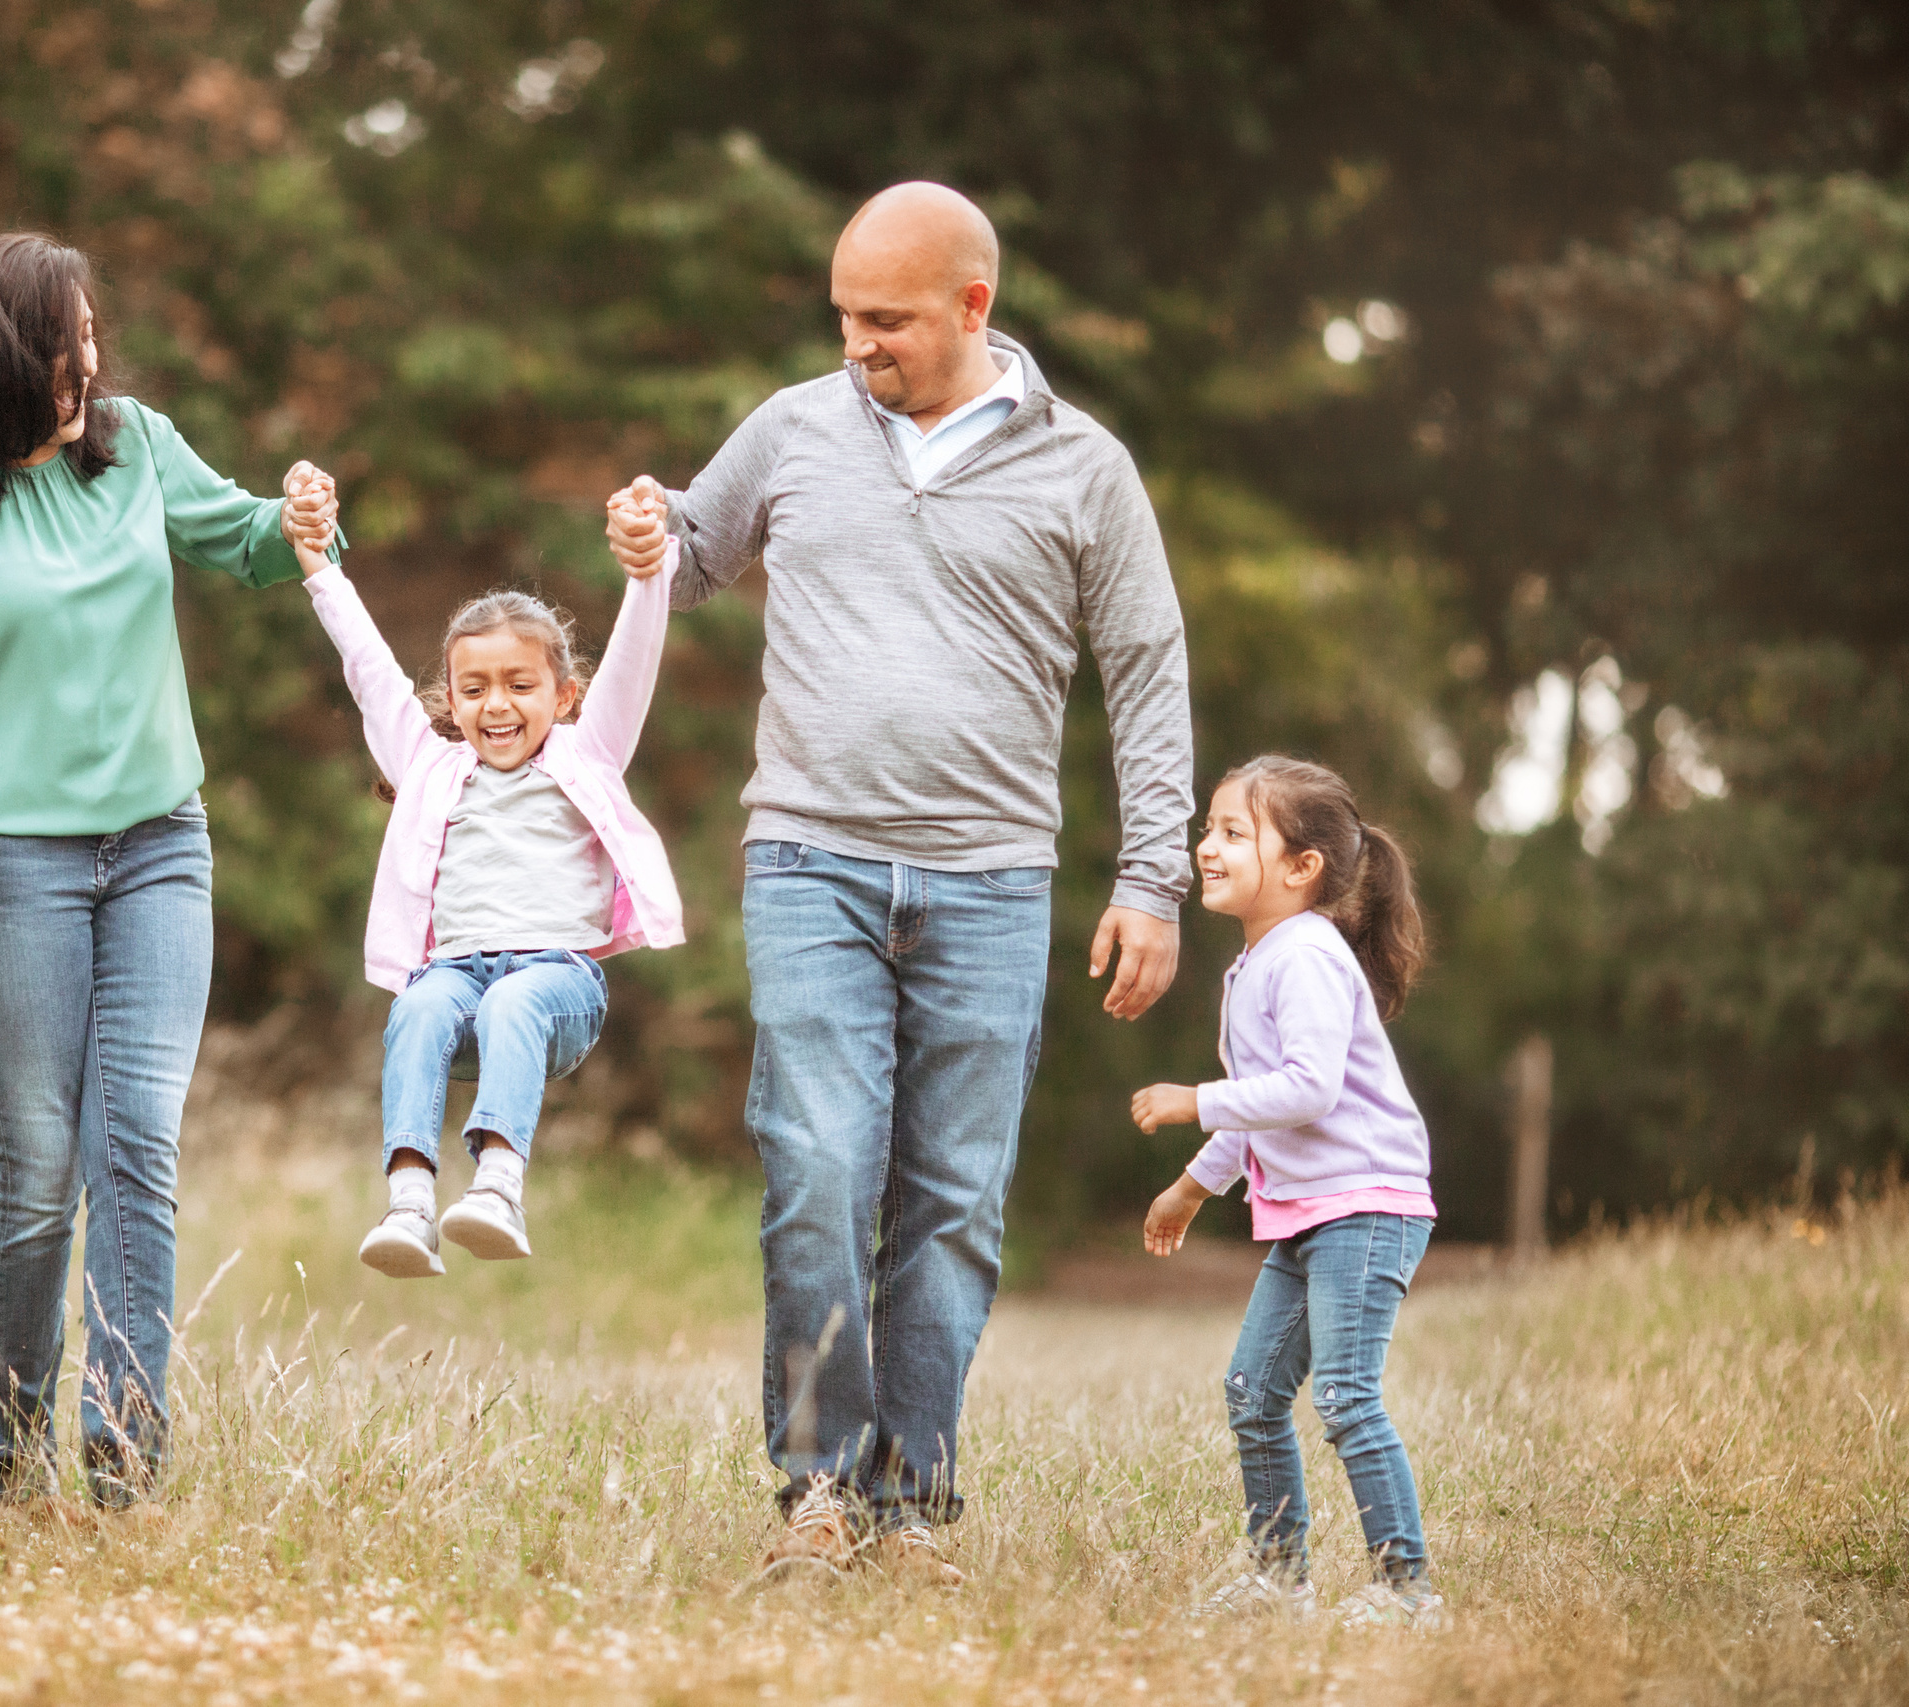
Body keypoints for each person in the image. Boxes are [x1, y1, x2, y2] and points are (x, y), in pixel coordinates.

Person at [604, 183, 1194, 1582]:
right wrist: (651, 537)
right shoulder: (799, 425)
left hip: (991, 885)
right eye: (845, 317)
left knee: (952, 1199)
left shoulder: (1083, 466)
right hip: (810, 861)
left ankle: (911, 1497)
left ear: (973, 308)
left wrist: (1155, 875)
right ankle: (816, 1485)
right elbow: (692, 555)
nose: (858, 343)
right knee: (817, 1165)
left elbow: (1148, 668)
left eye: (887, 320)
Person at [0, 231, 338, 1514]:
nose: (88, 364)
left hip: (161, 846)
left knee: (135, 1146)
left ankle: (123, 1454)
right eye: (62, 346)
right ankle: (10, 1454)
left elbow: (244, 540)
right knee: (41, 1166)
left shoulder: (138, 447)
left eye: (91, 337)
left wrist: (301, 519)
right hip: (8, 868)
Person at [292, 490, 684, 1276]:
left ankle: (499, 1184)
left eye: (519, 685)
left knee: (513, 998)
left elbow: (635, 659)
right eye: (473, 690)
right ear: (453, 697)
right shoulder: (431, 767)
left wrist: (649, 572)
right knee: (418, 1002)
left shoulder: (588, 753)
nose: (495, 705)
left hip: (557, 986)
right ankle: (409, 1199)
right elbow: (368, 669)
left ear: (563, 696)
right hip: (457, 981)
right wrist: (317, 563)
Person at [1136, 754, 1444, 1630]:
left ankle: (1407, 1590)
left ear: (1302, 866)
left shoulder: (1304, 956)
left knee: (1346, 1393)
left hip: (1367, 1205)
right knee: (1251, 1389)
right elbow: (1262, 1110)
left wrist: (1194, 1099)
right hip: (1314, 1212)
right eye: (1209, 828)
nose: (1208, 846)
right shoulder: (1258, 964)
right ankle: (1279, 1577)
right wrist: (1191, 1190)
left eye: (1235, 832)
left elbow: (1307, 1087)